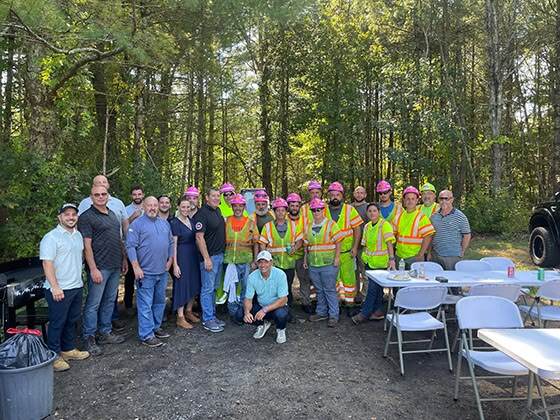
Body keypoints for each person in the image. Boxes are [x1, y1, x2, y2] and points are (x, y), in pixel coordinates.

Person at [40, 203, 90, 372]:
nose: (70, 217)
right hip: (59, 289)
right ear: (59, 217)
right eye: (66, 214)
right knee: (57, 323)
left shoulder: (77, 235)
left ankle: (68, 349)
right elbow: (47, 263)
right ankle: (53, 356)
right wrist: (55, 287)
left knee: (72, 320)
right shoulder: (51, 237)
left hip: (76, 286)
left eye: (73, 214)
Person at [78, 185, 127, 356]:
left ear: (108, 196)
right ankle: (89, 336)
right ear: (91, 197)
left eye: (103, 194)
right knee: (93, 304)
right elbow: (86, 246)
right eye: (96, 195)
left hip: (114, 265)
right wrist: (93, 268)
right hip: (99, 268)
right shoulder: (86, 217)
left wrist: (124, 258)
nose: (100, 197)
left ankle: (105, 331)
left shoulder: (112, 214)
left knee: (109, 300)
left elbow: (118, 239)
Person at [126, 197, 174, 347]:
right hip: (145, 273)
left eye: (155, 205)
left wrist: (170, 260)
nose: (153, 208)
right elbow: (130, 246)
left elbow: (171, 242)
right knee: (145, 303)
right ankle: (146, 335)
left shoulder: (164, 223)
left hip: (162, 271)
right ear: (144, 207)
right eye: (150, 205)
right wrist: (135, 267)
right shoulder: (137, 224)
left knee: (159, 301)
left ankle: (155, 327)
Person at [351, 203, 396, 324]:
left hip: (381, 263)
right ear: (367, 213)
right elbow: (365, 245)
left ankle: (364, 313)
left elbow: (389, 243)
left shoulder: (384, 225)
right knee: (377, 290)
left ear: (379, 212)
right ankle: (377, 312)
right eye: (369, 211)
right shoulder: (367, 226)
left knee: (372, 289)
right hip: (369, 262)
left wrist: (392, 259)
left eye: (374, 211)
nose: (372, 213)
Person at [303, 198, 343, 327]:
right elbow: (306, 244)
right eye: (313, 210)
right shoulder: (309, 226)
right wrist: (305, 259)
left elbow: (338, 241)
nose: (316, 212)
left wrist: (337, 258)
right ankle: (321, 312)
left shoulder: (331, 224)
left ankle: (333, 315)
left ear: (323, 210)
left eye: (318, 210)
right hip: (314, 264)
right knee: (319, 290)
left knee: (330, 290)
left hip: (328, 264)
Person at [234, 251, 289, 344]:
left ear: (271, 262)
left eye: (266, 262)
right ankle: (262, 324)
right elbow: (248, 299)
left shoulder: (280, 274)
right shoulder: (252, 276)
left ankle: (281, 329)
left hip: (277, 307)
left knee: (281, 314)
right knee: (240, 314)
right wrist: (247, 312)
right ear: (257, 263)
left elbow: (284, 299)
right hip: (261, 306)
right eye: (260, 262)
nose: (263, 265)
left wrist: (265, 310)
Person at [259, 197, 303, 314]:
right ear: (274, 211)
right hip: (274, 264)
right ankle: (273, 312)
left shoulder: (294, 225)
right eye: (278, 210)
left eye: (283, 210)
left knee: (287, 288)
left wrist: (295, 248)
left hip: (288, 264)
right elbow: (262, 243)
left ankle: (287, 312)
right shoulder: (268, 226)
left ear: (286, 211)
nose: (280, 213)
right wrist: (265, 260)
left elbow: (300, 240)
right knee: (273, 289)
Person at [325, 182, 363, 311]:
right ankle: (336, 305)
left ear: (342, 196)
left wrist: (355, 247)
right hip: (330, 253)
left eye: (338, 194)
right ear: (329, 196)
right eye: (332, 194)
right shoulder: (323, 210)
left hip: (347, 252)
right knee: (332, 280)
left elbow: (357, 229)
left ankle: (350, 305)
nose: (335, 197)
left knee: (349, 280)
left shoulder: (349, 209)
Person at [193, 187, 226, 333]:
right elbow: (199, 237)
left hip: (219, 256)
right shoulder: (202, 214)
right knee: (207, 289)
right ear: (206, 197)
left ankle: (212, 315)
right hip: (209, 258)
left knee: (213, 288)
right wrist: (206, 258)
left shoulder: (218, 211)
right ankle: (207, 319)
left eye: (218, 196)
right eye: (213, 196)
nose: (216, 198)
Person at [222, 194, 259, 318]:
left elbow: (256, 243)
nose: (238, 208)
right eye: (235, 206)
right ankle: (234, 313)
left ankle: (245, 312)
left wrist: (255, 260)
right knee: (232, 286)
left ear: (244, 207)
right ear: (232, 207)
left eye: (240, 205)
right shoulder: (226, 221)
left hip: (246, 261)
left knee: (246, 287)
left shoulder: (250, 223)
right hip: (230, 261)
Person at [170, 196, 202, 329]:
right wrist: (175, 264)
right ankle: (180, 316)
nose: (185, 209)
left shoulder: (192, 221)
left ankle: (189, 311)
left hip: (193, 256)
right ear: (178, 207)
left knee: (194, 283)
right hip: (181, 256)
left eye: (188, 207)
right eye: (183, 207)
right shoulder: (175, 223)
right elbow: (174, 245)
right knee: (182, 284)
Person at [393, 186, 435, 269]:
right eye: (408, 199)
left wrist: (421, 254)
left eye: (413, 199)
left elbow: (428, 235)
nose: (410, 201)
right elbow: (392, 236)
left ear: (417, 201)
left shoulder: (421, 217)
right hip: (399, 257)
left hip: (414, 257)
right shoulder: (398, 217)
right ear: (404, 201)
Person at [429, 190, 472, 270]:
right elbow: (431, 236)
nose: (443, 201)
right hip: (436, 255)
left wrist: (462, 251)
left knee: (452, 280)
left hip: (453, 256)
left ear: (452, 200)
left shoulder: (460, 217)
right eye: (441, 199)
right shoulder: (434, 216)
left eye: (446, 199)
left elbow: (467, 235)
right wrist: (429, 252)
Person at [287, 192, 314, 314]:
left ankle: (306, 302)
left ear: (299, 206)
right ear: (288, 206)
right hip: (286, 256)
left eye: (296, 205)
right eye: (292, 205)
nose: (294, 208)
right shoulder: (283, 219)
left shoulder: (306, 220)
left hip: (301, 255)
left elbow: (306, 237)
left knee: (304, 280)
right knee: (286, 281)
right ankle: (287, 302)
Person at [121, 185, 145, 313]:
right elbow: (122, 228)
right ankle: (128, 305)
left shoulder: (148, 207)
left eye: (139, 194)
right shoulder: (126, 209)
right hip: (131, 247)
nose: (137, 197)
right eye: (135, 194)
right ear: (132, 196)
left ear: (143, 195)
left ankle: (143, 305)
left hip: (145, 249)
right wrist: (132, 217)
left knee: (144, 277)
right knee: (130, 278)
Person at [351, 185, 368, 302]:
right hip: (351, 246)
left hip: (364, 246)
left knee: (365, 272)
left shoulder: (368, 207)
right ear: (353, 194)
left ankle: (365, 294)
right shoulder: (348, 208)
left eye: (361, 193)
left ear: (365, 195)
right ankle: (355, 294)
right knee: (353, 272)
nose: (359, 194)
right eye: (357, 192)